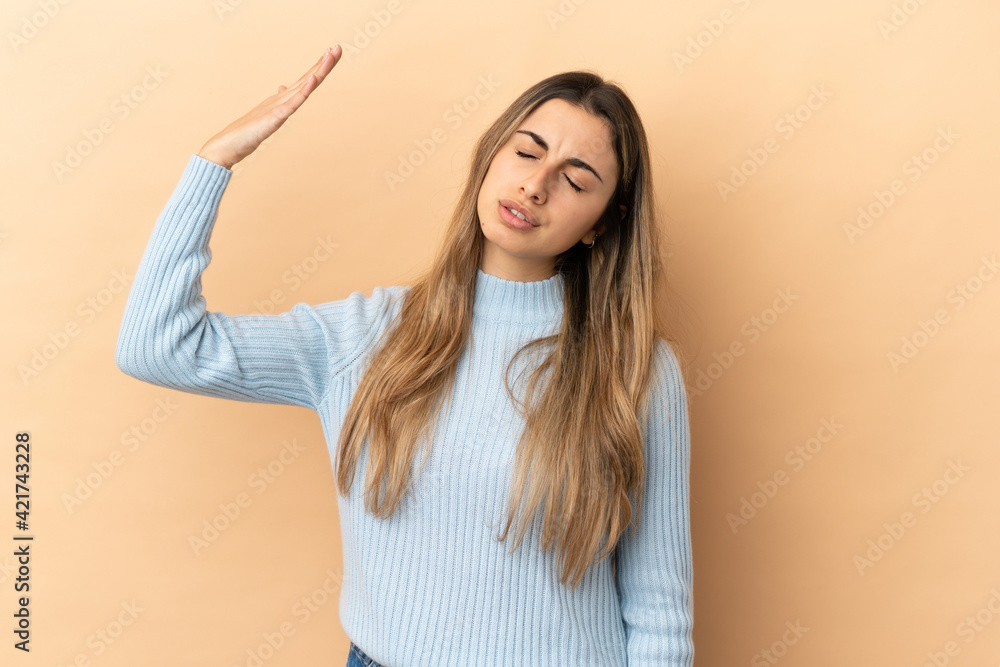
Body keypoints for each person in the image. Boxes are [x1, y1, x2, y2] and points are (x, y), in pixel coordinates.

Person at [115, 44, 694, 667]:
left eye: (577, 180)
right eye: (526, 152)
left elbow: (660, 609)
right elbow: (157, 347)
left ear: (601, 224)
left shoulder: (637, 373)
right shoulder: (365, 336)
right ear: (489, 158)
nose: (536, 184)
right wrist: (214, 161)